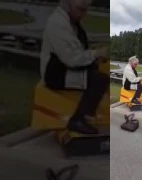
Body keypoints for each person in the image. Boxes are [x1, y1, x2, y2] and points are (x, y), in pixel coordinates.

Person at [40, 0, 109, 134]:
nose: (83, 14)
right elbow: (72, 58)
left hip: (61, 67)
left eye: (85, 10)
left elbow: (76, 48)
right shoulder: (59, 24)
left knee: (97, 69)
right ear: (68, 4)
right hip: (56, 73)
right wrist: (97, 54)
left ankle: (92, 113)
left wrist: (95, 54)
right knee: (99, 79)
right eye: (80, 9)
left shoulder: (68, 20)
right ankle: (78, 119)